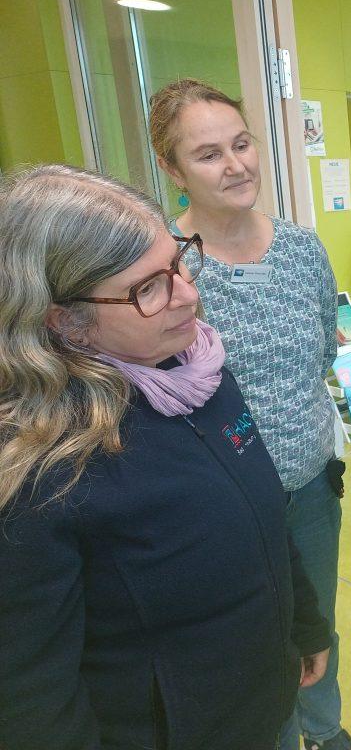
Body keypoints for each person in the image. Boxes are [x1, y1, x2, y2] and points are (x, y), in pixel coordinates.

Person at [0, 165, 331, 748]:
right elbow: (32, 695)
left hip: (264, 698)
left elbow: (261, 509)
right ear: (65, 321)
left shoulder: (194, 370)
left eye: (179, 262)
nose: (189, 294)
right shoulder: (40, 468)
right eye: (148, 287)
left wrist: (304, 623)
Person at [148, 80, 351, 750]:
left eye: (242, 144)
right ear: (174, 171)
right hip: (219, 507)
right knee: (253, 654)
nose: (236, 165)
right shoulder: (165, 270)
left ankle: (324, 736)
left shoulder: (300, 249)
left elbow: (324, 346)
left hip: (309, 489)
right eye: (209, 155)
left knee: (316, 628)